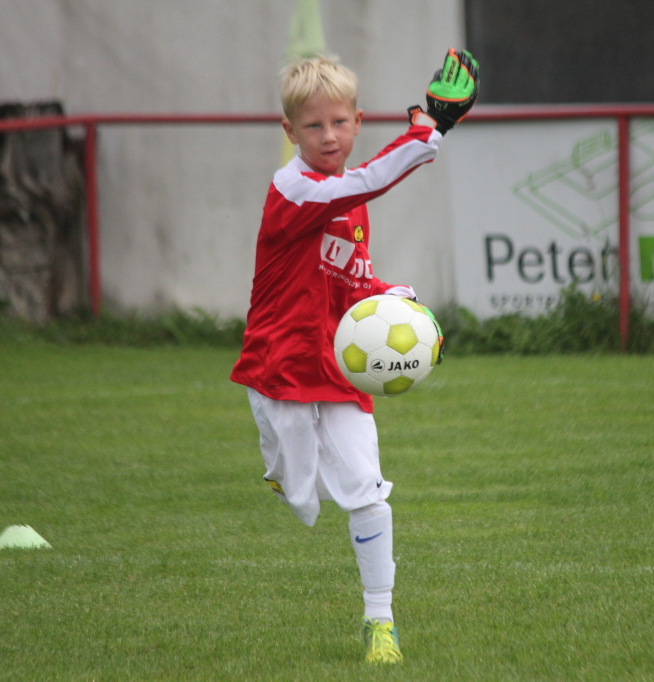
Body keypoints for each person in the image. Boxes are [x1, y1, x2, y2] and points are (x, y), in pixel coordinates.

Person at [230, 49, 480, 664]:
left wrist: (400, 307)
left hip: (336, 370)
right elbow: (364, 180)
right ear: (290, 132)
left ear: (358, 120)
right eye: (313, 126)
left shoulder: (347, 194)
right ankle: (281, 469)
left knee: (366, 491)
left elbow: (350, 281)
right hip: (280, 366)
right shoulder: (295, 186)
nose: (329, 136)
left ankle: (381, 623)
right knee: (301, 498)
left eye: (340, 123)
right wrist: (432, 130)